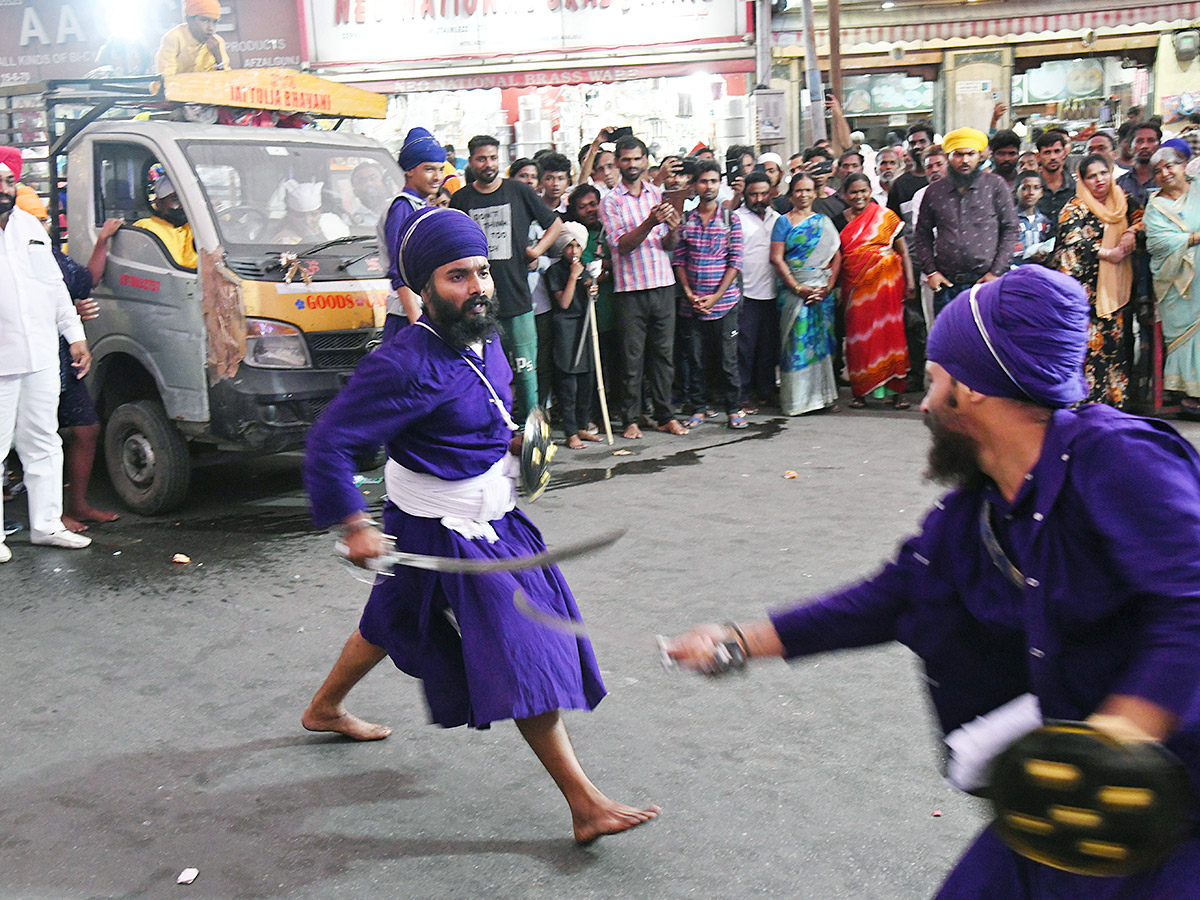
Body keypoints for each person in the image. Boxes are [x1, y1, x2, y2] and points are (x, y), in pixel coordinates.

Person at [663, 264, 1200, 900]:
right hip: (1073, 796)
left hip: (1168, 808)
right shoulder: (976, 512)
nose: (922, 403)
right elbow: (890, 598)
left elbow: (1190, 603)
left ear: (970, 389)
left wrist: (1125, 729)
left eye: (933, 380)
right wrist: (735, 641)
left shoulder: (1117, 456)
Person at [301, 206, 658, 842]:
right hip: (446, 530)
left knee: (391, 618)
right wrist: (353, 523)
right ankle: (585, 805)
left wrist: (518, 443)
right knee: (526, 650)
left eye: (481, 272)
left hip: (494, 515)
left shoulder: (483, 338)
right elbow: (327, 442)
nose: (477, 287)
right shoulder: (402, 363)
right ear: (423, 286)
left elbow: (483, 415)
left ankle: (324, 708)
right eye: (456, 277)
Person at [0, 146, 93, 560]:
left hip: (38, 353)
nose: (4, 188)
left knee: (43, 440)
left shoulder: (30, 227)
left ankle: (47, 525)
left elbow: (55, 287)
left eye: (8, 181)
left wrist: (75, 335)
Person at [15, 189, 123, 532]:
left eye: (45, 220)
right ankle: (42, 516)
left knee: (84, 429)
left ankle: (73, 507)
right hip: (16, 362)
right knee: (30, 439)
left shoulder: (49, 256)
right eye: (36, 220)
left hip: (57, 357)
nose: (43, 226)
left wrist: (102, 241)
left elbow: (82, 283)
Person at [450, 135, 562, 422]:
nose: (488, 164)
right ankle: (495, 430)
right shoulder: (461, 199)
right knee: (484, 373)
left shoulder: (517, 191)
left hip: (518, 300)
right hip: (477, 303)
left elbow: (555, 224)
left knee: (526, 372)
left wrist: (536, 250)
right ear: (471, 161)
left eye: (492, 158)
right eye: (481, 158)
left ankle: (534, 431)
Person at [598, 134, 687, 440]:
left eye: (637, 159)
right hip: (630, 289)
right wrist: (650, 222)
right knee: (631, 358)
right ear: (618, 163)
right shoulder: (611, 201)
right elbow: (621, 246)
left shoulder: (658, 194)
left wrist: (673, 231)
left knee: (664, 355)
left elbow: (668, 244)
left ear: (646, 160)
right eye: (625, 159)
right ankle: (631, 419)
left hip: (662, 283)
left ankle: (665, 415)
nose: (632, 164)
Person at [1054, 153, 1142, 409]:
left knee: (1115, 345)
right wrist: (1108, 253)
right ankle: (1085, 404)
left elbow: (1142, 219)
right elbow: (1071, 243)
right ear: (1082, 180)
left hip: (1114, 291)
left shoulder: (1123, 201)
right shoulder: (1075, 207)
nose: (1099, 180)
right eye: (1091, 176)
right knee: (1087, 349)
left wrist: (1129, 232)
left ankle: (1114, 404)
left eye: (1103, 173)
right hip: (1084, 294)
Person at [913, 128, 1018, 319]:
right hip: (947, 284)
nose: (965, 160)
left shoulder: (995, 186)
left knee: (988, 342)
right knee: (949, 343)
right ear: (947, 156)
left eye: (971, 154)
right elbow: (922, 233)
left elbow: (1010, 229)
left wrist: (996, 272)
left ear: (980, 155)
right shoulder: (935, 191)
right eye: (958, 154)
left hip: (986, 282)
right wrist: (931, 271)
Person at [672, 160, 744, 430]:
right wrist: (689, 294)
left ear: (719, 184)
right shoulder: (686, 220)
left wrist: (714, 298)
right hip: (692, 305)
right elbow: (679, 260)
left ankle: (734, 409)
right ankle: (699, 408)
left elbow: (735, 262)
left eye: (713, 181)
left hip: (724, 304)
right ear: (695, 186)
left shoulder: (730, 219)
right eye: (703, 181)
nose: (708, 186)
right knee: (695, 361)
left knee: (727, 360)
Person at [838, 173, 914, 409]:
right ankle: (860, 392)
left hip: (887, 287)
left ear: (870, 191)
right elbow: (837, 258)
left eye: (863, 191)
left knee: (891, 335)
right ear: (845, 195)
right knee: (859, 338)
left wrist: (910, 281)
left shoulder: (885, 217)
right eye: (853, 192)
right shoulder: (838, 220)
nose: (858, 196)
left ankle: (897, 393)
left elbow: (903, 251)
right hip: (856, 288)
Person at [770, 172, 842, 416]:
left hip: (821, 291)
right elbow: (776, 259)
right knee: (796, 342)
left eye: (808, 190)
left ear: (815, 193)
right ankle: (797, 401)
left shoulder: (824, 221)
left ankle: (822, 397)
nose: (803, 195)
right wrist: (797, 287)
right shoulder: (783, 222)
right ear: (791, 194)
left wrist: (828, 287)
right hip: (793, 290)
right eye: (798, 190)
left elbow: (836, 255)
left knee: (821, 342)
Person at [1144, 141, 1200, 413]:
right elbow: (1158, 243)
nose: (1165, 173)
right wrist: (1194, 238)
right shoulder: (1155, 207)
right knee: (1186, 336)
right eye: (1158, 170)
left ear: (1183, 166)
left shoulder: (1199, 190)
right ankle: (1187, 392)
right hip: (1179, 285)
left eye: (1170, 166)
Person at [378, 127, 446, 338]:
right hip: (406, 316)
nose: (437, 177)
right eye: (429, 169)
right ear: (409, 170)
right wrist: (417, 323)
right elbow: (399, 270)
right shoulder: (403, 207)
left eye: (440, 169)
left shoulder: (420, 205)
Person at [545, 222, 602, 449]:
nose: (574, 251)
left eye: (578, 246)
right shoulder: (555, 271)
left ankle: (582, 426)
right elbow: (565, 302)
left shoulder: (585, 268)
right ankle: (570, 432)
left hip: (585, 327)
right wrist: (573, 277)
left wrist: (592, 288)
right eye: (569, 246)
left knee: (587, 382)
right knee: (569, 385)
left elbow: (589, 295)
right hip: (565, 329)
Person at [735, 171, 782, 413]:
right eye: (753, 194)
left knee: (768, 347)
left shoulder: (778, 218)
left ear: (772, 192)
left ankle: (765, 392)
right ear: (745, 195)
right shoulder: (736, 219)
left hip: (773, 293)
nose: (759, 198)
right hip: (746, 294)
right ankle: (742, 394)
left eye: (764, 193)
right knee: (744, 348)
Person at [133, 173, 196, 269]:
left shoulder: (195, 227)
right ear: (158, 204)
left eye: (185, 200)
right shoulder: (145, 227)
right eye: (175, 199)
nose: (182, 206)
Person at [155, 0, 229, 75]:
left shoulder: (217, 42)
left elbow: (227, 81)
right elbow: (166, 79)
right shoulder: (174, 38)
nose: (211, 28)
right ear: (189, 19)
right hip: (179, 86)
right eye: (205, 20)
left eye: (215, 22)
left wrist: (218, 59)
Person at [888, 121, 935, 231]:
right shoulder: (899, 185)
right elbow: (893, 225)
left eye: (922, 141)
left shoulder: (942, 179)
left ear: (932, 144)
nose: (917, 146)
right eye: (913, 143)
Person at [270, 181, 348, 245]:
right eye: (300, 216)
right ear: (290, 215)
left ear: (320, 212)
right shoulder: (283, 240)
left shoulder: (333, 226)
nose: (307, 221)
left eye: (314, 214)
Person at [1010, 172, 1054, 268]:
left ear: (1041, 192)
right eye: (1025, 188)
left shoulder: (1044, 221)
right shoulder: (1009, 219)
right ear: (1015, 192)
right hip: (1014, 269)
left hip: (1038, 269)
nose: (1031, 192)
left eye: (1036, 188)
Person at [1035, 130, 1075, 228]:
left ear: (1064, 153)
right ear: (1038, 157)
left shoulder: (1075, 188)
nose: (1053, 157)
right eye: (1047, 152)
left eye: (1057, 151)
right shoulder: (1030, 188)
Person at [1117, 121, 1162, 207]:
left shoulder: (1167, 181)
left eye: (1151, 140)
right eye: (1139, 141)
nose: (1145, 146)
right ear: (1130, 147)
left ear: (1159, 145)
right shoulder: (1119, 184)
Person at [345, 162, 389, 229]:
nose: (369, 184)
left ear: (384, 183)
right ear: (355, 192)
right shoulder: (351, 222)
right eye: (361, 181)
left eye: (373, 178)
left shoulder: (401, 207)